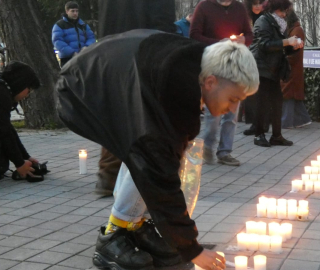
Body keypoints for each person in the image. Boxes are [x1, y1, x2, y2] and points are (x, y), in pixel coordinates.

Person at [56, 30, 259, 270]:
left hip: (110, 82)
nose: (233, 109)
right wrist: (191, 249)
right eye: (233, 99)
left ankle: (136, 227)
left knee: (148, 151)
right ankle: (113, 236)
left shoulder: (197, 66)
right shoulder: (173, 95)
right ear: (211, 82)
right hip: (79, 90)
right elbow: (160, 175)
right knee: (146, 154)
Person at [94, 0, 178, 196]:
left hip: (111, 48)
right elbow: (162, 20)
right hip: (144, 49)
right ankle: (144, 176)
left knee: (116, 110)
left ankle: (108, 175)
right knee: (145, 112)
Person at [190, 0, 253, 166]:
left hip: (235, 67)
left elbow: (249, 34)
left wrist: (243, 40)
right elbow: (194, 35)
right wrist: (220, 43)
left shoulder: (239, 8)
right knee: (213, 113)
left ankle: (225, 152)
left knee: (232, 114)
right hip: (214, 67)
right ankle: (207, 147)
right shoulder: (204, 7)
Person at [0, 61, 41, 186]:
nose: (27, 95)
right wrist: (20, 164)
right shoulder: (0, 92)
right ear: (21, 84)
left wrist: (25, 157)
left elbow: (7, 128)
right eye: (28, 90)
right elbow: (4, 132)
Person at [250, 0, 302, 147]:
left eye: (286, 11)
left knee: (277, 102)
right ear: (274, 9)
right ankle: (259, 135)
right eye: (282, 11)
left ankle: (276, 135)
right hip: (261, 67)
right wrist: (287, 42)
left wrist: (295, 46)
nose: (284, 14)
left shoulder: (281, 24)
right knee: (262, 102)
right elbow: (264, 45)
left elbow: (283, 48)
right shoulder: (263, 21)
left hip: (274, 68)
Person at [280, 10, 311, 129]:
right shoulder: (294, 30)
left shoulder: (296, 31)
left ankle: (286, 122)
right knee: (293, 96)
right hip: (292, 68)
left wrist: (284, 59)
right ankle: (302, 120)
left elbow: (295, 52)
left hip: (291, 68)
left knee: (288, 94)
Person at [242, 0, 266, 134]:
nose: (257, 7)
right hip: (247, 57)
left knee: (262, 92)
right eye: (254, 4)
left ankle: (263, 123)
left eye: (260, 3)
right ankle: (254, 123)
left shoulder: (267, 17)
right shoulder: (245, 18)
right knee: (250, 92)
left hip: (262, 58)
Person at [52, 1, 96, 68]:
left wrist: (86, 47)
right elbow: (57, 41)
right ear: (67, 11)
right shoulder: (60, 25)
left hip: (83, 57)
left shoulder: (83, 25)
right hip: (67, 59)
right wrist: (72, 53)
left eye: (76, 11)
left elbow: (91, 37)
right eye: (72, 11)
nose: (75, 13)